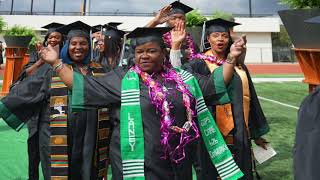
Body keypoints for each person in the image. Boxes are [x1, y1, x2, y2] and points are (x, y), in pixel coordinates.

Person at [39, 26, 247, 180]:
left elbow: (213, 85)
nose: (144, 56)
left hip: (177, 160)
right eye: (139, 52)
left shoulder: (182, 77)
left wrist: (231, 58)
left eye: (151, 51)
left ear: (163, 53)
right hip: (138, 161)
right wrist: (56, 63)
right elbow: (83, 86)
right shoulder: (122, 78)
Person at [0, 21, 110, 180]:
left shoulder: (100, 70)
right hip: (57, 135)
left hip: (90, 136)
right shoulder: (52, 69)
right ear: (67, 45)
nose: (78, 47)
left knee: (88, 172)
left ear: (89, 47)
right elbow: (26, 91)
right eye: (74, 43)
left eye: (83, 43)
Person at [176, 18, 269, 179]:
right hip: (211, 133)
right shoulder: (196, 64)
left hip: (239, 131)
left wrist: (255, 133)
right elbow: (195, 91)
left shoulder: (239, 66)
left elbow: (249, 97)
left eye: (224, 36)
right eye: (216, 35)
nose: (220, 39)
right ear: (208, 39)